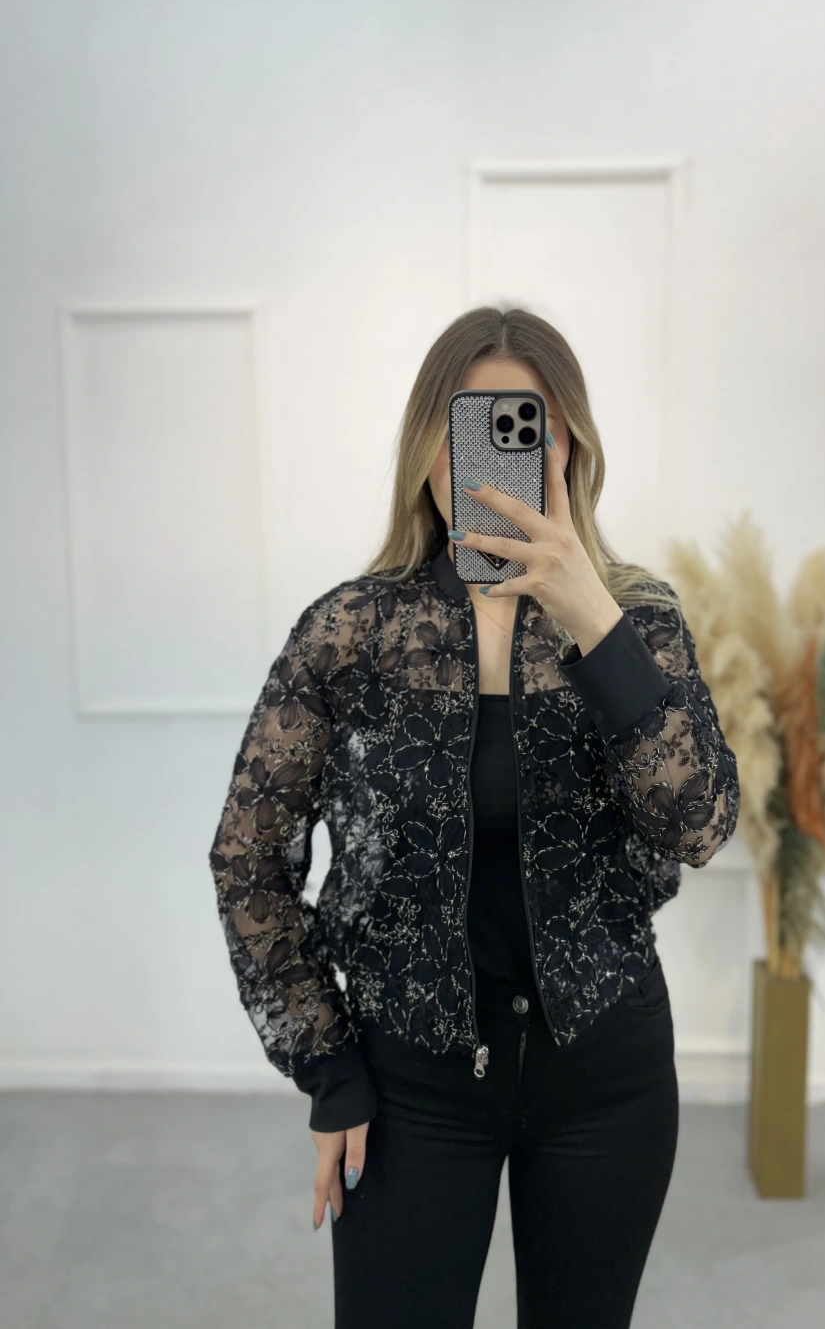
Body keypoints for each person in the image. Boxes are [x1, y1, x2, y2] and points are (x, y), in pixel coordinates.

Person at [208, 305, 741, 1329]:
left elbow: (700, 824)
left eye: (526, 429)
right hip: (410, 1086)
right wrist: (328, 1065)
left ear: (569, 451)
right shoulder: (351, 631)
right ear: (425, 451)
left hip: (608, 1080)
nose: (494, 462)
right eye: (470, 429)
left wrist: (592, 620)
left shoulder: (638, 620)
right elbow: (248, 857)